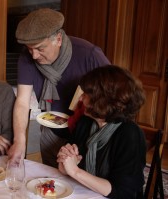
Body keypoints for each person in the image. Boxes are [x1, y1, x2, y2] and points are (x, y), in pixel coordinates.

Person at [8, 8, 110, 167]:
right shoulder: (26, 58)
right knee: (52, 186)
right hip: (51, 133)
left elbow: (115, 94)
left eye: (40, 48)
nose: (34, 56)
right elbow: (22, 101)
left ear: (59, 39)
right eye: (30, 49)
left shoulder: (89, 55)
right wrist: (19, 140)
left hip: (87, 136)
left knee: (83, 186)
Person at [57, 65, 146, 198]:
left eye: (86, 95)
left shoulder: (129, 134)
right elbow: (68, 164)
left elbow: (123, 192)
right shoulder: (85, 123)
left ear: (103, 101)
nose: (81, 99)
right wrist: (64, 162)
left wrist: (75, 172)